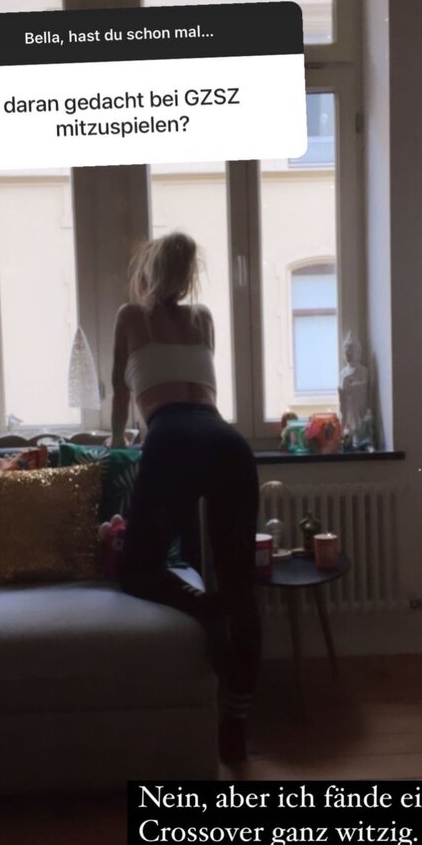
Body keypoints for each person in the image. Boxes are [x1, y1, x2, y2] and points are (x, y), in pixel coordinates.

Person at [111, 232, 261, 763]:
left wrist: (119, 444)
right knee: (241, 584)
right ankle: (236, 724)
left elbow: (121, 394)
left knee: (137, 569)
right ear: (190, 273)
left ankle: (204, 610)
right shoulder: (204, 320)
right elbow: (198, 385)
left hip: (171, 436)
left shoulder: (131, 316)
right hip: (227, 441)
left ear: (147, 271)